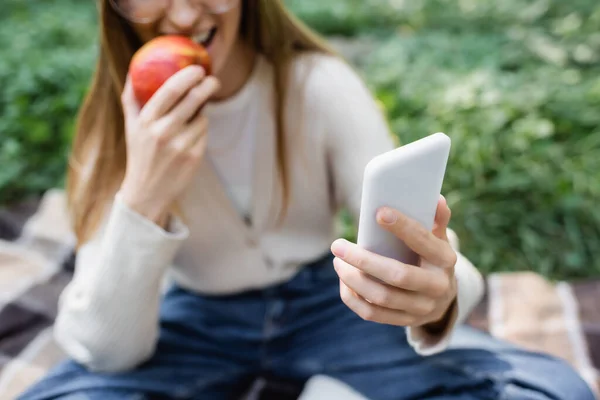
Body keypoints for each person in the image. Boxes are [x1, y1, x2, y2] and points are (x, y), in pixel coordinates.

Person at [19, 1, 595, 399]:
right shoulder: (119, 125)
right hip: (196, 322)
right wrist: (145, 190)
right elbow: (105, 351)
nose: (187, 14)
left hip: (328, 305)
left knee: (550, 389)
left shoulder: (316, 84)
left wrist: (441, 293)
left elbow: (414, 241)